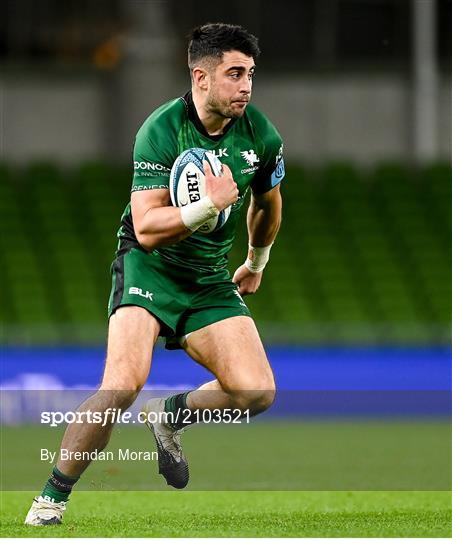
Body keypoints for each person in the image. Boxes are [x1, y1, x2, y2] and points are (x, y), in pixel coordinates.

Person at [25, 22, 285, 526]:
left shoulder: (261, 134)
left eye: (251, 74)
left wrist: (256, 261)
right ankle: (51, 498)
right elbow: (145, 227)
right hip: (151, 266)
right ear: (201, 77)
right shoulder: (161, 129)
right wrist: (206, 205)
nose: (246, 86)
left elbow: (268, 203)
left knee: (256, 391)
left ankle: (168, 416)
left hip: (208, 278)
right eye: (235, 74)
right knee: (122, 383)